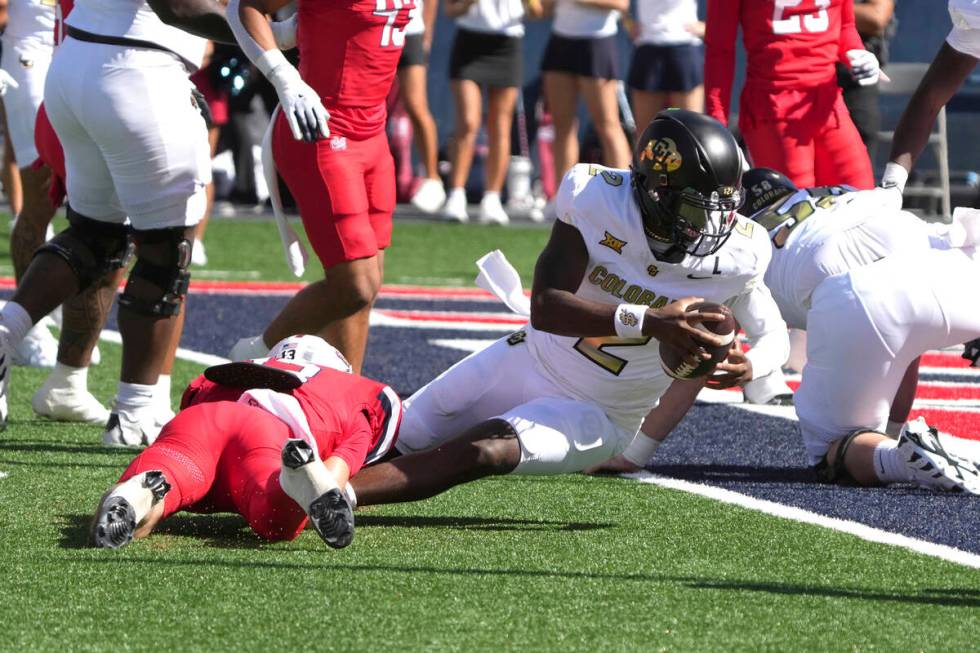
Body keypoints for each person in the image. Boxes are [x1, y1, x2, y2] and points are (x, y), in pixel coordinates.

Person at [340, 111, 789, 504]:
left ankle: (336, 495)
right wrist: (650, 322)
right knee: (397, 431)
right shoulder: (598, 199)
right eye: (697, 209)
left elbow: (774, 336)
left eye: (722, 209)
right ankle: (298, 473)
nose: (713, 226)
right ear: (657, 194)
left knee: (485, 450)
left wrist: (752, 366)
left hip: (601, 412)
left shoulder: (739, 254)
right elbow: (547, 307)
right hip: (532, 356)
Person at [0, 0, 238, 440]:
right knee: (166, 251)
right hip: (138, 69)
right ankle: (133, 414)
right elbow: (179, 8)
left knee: (95, 238)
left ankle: (7, 330)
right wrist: (271, 44)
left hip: (77, 60)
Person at [741, 167, 980, 493]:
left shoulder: (746, 243)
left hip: (860, 299)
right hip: (959, 255)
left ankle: (897, 458)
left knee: (832, 456)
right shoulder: (849, 195)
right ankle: (896, 441)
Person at [226, 0, 413, 374]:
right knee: (354, 285)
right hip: (324, 127)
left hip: (373, 131)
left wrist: (295, 30)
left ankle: (345, 395)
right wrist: (284, 77)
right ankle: (254, 356)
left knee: (365, 288)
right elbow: (243, 8)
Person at [89, 335, 402, 549]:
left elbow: (193, 410)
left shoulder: (224, 376)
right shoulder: (350, 391)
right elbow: (334, 477)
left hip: (204, 421)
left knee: (170, 477)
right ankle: (291, 483)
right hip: (268, 435)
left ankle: (139, 493)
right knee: (273, 516)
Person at [704, 0, 880, 189]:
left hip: (828, 103)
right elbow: (719, 50)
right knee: (797, 210)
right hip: (774, 107)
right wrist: (719, 129)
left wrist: (856, 51)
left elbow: (844, 25)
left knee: (862, 198)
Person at [1, 0, 62, 369]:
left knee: (96, 202)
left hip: (82, 52)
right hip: (32, 51)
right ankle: (28, 331)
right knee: (39, 193)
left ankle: (68, 331)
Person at [440, 0, 529, 225]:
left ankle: (492, 198)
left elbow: (538, 11)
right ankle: (456, 195)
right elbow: (451, 10)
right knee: (468, 122)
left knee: (499, 125)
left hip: (507, 43)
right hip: (469, 42)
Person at [540, 0, 632, 204]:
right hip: (560, 41)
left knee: (608, 125)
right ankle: (563, 199)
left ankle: (623, 199)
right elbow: (543, 11)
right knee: (562, 126)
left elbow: (621, 3)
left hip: (597, 41)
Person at [627, 0, 705, 132]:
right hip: (648, 48)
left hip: (684, 49)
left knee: (691, 132)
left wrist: (708, 26)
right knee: (646, 136)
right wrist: (627, 22)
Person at [399, 0, 445, 214]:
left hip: (410, 30)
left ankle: (433, 179)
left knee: (416, 106)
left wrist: (427, 35)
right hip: (370, 29)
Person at [835, 0, 895, 160]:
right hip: (799, 78)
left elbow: (875, 18)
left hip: (854, 78)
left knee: (859, 146)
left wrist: (817, 8)